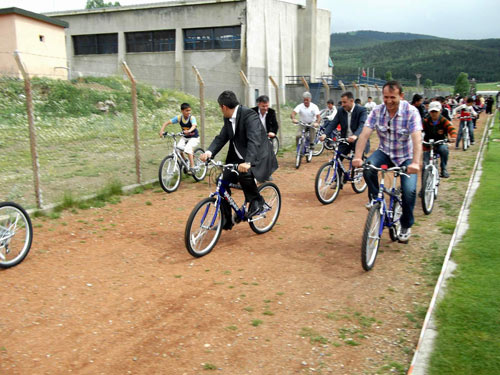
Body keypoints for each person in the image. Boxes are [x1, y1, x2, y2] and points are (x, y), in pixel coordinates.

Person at [353, 80, 422, 243]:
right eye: (385, 97)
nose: (388, 101)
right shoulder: (377, 111)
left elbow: (417, 138)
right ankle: (376, 199)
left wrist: (416, 162)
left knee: (409, 190)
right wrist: (357, 157)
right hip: (385, 152)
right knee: (368, 167)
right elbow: (364, 134)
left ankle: (406, 224)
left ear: (401, 96)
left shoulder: (411, 112)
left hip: (406, 156)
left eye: (393, 97)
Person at [200, 91, 278, 221]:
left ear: (223, 107)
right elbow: (222, 137)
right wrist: (209, 152)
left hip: (256, 156)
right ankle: (225, 220)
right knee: (223, 182)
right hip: (237, 157)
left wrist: (248, 162)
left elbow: (254, 140)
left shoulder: (249, 115)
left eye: (220, 108)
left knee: (244, 174)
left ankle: (257, 202)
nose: (221, 110)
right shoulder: (228, 117)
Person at [320, 91, 368, 162]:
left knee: (357, 162)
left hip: (358, 140)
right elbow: (333, 123)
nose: (342, 104)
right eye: (342, 102)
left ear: (351, 101)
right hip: (345, 140)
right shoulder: (340, 111)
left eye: (344, 102)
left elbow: (362, 125)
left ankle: (359, 171)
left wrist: (355, 136)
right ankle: (338, 173)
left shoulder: (361, 110)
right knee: (337, 160)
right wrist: (325, 134)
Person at [159, 102, 200, 171]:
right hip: (185, 137)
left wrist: (189, 131)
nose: (189, 112)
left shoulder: (192, 118)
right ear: (182, 111)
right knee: (178, 150)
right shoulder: (179, 118)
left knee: (188, 149)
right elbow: (166, 123)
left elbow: (194, 126)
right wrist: (161, 131)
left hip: (194, 137)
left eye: (189, 110)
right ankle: (185, 161)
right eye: (187, 111)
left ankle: (192, 167)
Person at [422, 101, 456, 178]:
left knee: (444, 150)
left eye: (436, 111)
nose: (434, 113)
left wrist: (453, 136)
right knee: (425, 165)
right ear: (429, 112)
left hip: (440, 143)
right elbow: (419, 130)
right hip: (428, 144)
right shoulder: (426, 121)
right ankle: (423, 187)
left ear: (440, 111)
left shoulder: (444, 120)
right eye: (432, 111)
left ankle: (443, 169)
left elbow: (451, 128)